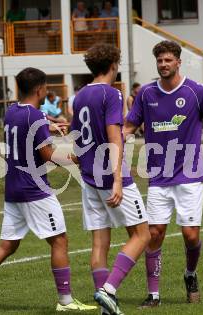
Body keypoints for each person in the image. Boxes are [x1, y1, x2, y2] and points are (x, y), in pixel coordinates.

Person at [0, 67, 96, 314]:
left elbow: (28, 125)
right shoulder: (36, 117)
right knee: (59, 240)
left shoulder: (12, 111)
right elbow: (47, 154)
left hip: (13, 189)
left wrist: (49, 126)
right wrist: (76, 159)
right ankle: (65, 301)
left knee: (6, 245)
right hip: (34, 190)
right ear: (40, 89)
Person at [124, 40, 203, 308]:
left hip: (190, 175)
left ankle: (190, 274)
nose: (163, 65)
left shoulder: (196, 91)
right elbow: (129, 126)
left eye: (168, 60)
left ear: (178, 62)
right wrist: (114, 139)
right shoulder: (146, 94)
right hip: (158, 176)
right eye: (160, 61)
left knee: (190, 235)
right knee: (155, 233)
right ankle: (154, 294)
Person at [70, 43, 151, 315]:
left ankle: (106, 308)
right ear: (114, 65)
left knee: (99, 242)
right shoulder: (112, 94)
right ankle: (109, 290)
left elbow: (77, 140)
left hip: (88, 177)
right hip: (109, 175)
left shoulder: (79, 96)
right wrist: (117, 179)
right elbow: (115, 138)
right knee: (142, 234)